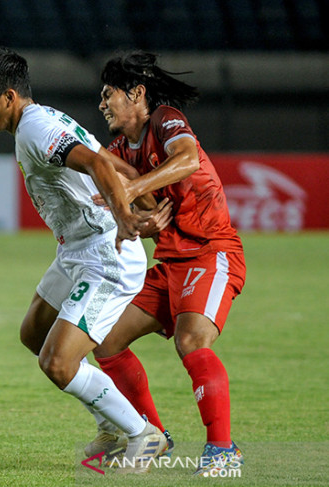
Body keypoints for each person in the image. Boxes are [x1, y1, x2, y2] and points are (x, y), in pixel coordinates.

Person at [0, 47, 172, 473]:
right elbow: (108, 159)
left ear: (8, 97)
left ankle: (143, 434)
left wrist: (124, 217)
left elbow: (97, 162)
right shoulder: (41, 121)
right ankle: (110, 427)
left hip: (105, 255)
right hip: (76, 249)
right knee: (34, 334)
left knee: (58, 363)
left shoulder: (37, 129)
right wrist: (138, 190)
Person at [90, 50, 246, 475]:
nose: (102, 104)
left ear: (136, 93)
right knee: (104, 340)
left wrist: (133, 188)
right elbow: (140, 209)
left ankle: (223, 450)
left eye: (108, 95)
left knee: (192, 342)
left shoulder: (165, 118)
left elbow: (189, 159)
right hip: (170, 261)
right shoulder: (120, 148)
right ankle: (152, 435)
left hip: (211, 252)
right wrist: (135, 216)